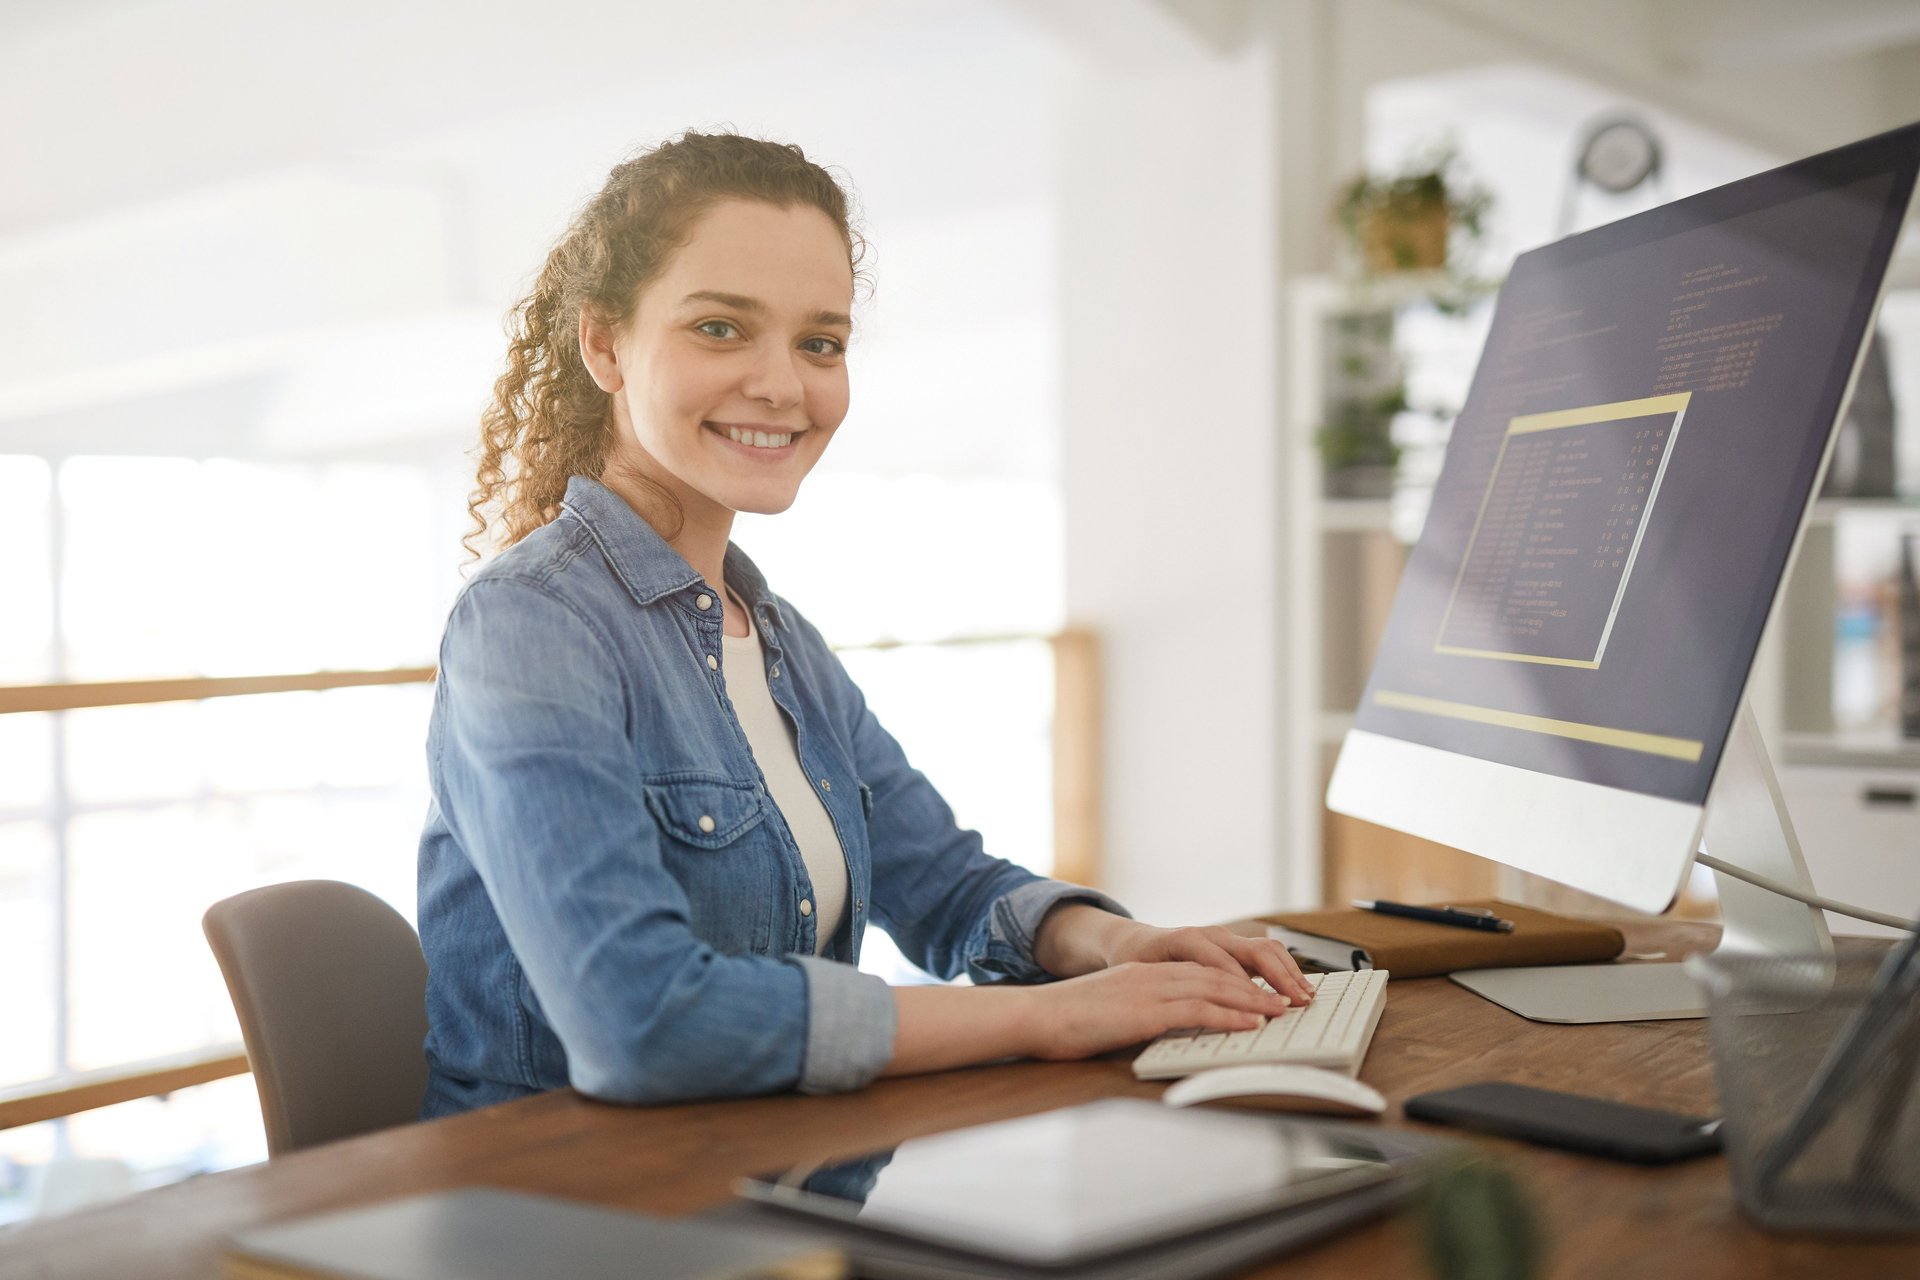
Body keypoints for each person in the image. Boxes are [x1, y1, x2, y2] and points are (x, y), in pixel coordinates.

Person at [416, 131, 1312, 1117]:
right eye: (720, 328)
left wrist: (1117, 947)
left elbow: (947, 882)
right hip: (569, 1208)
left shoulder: (777, 639)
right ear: (604, 344)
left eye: (820, 342)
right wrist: (1049, 1017)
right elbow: (643, 1025)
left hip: (766, 1171)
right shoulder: (530, 625)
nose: (782, 384)